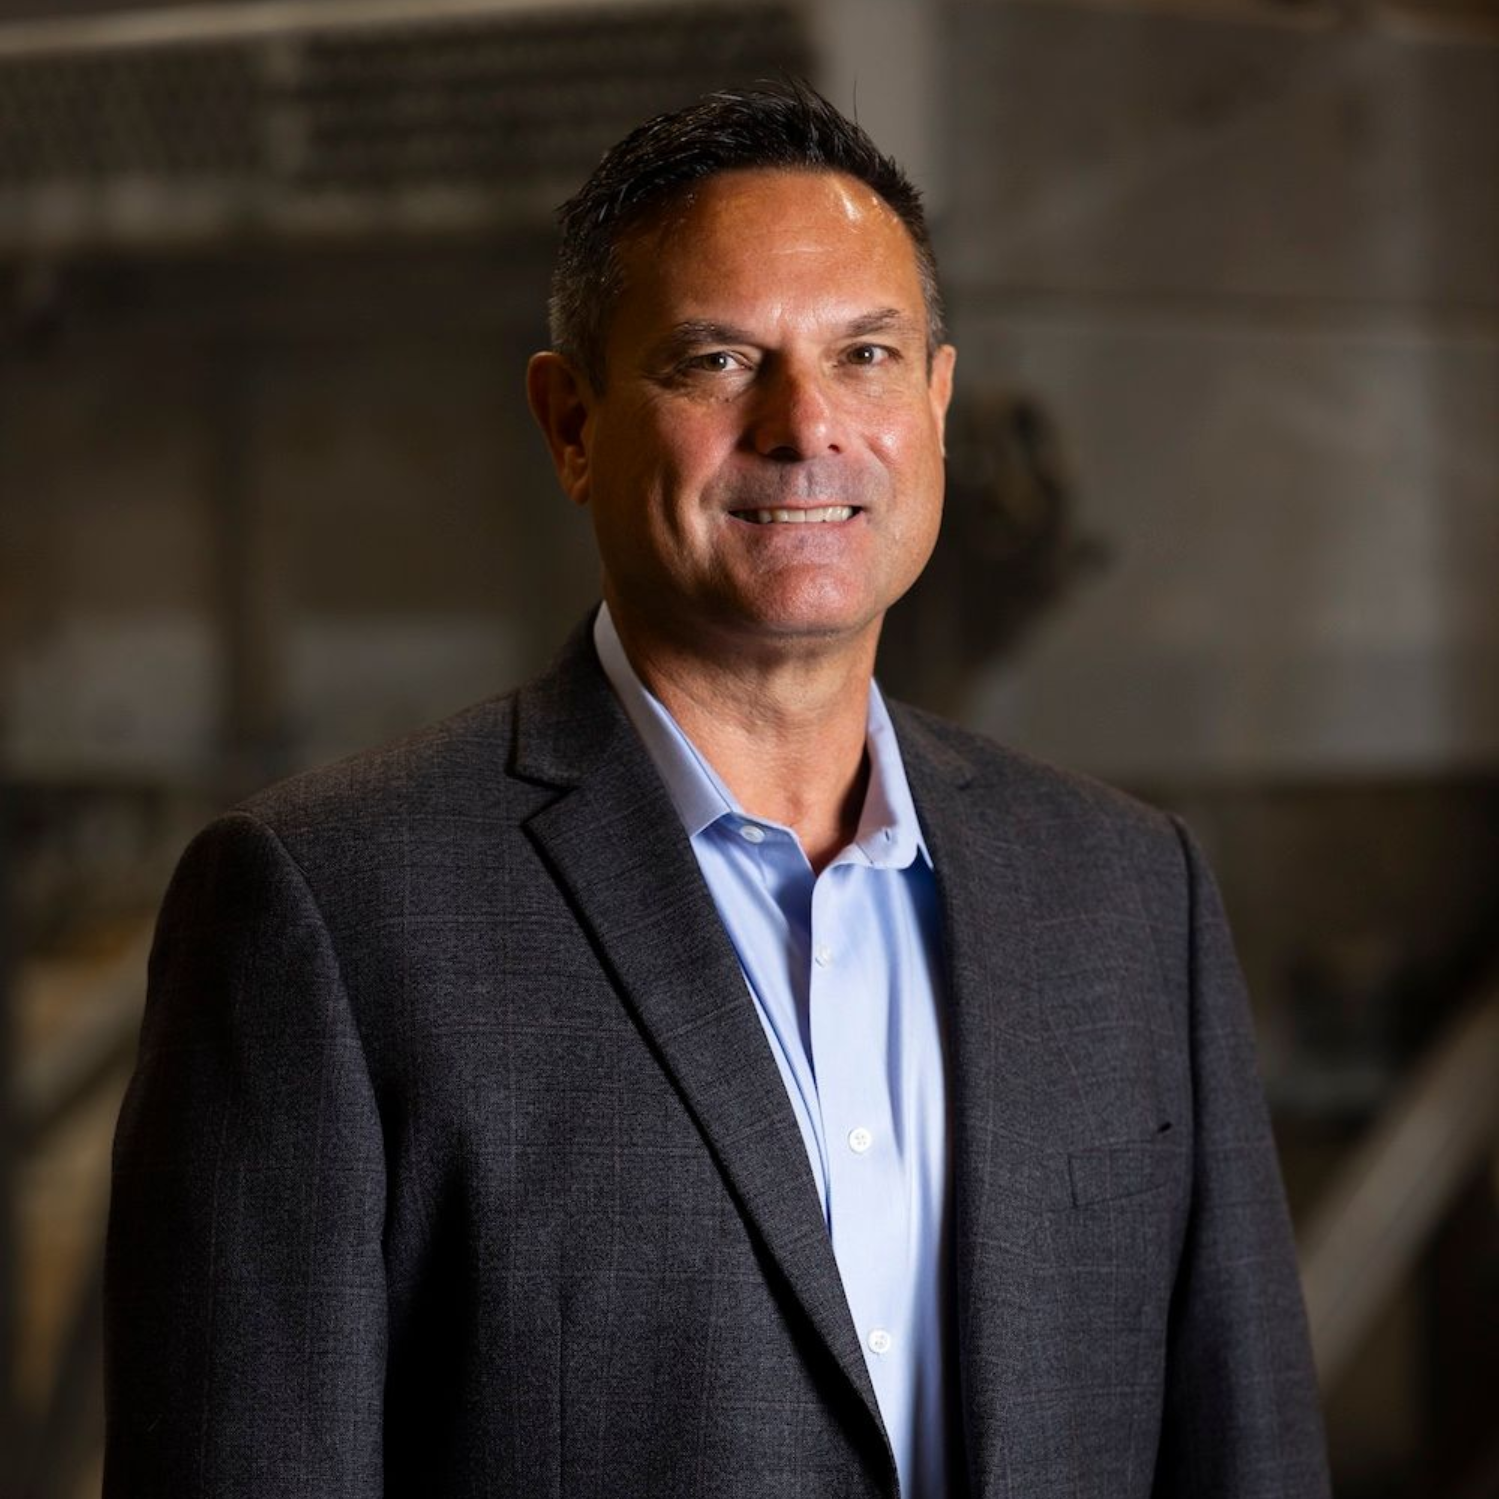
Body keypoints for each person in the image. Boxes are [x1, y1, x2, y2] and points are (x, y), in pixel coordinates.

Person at [104, 81, 1330, 1499]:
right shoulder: (328, 906)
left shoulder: (1129, 889)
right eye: (717, 360)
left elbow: (1249, 1457)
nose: (805, 425)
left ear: (933, 403)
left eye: (865, 355)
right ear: (571, 422)